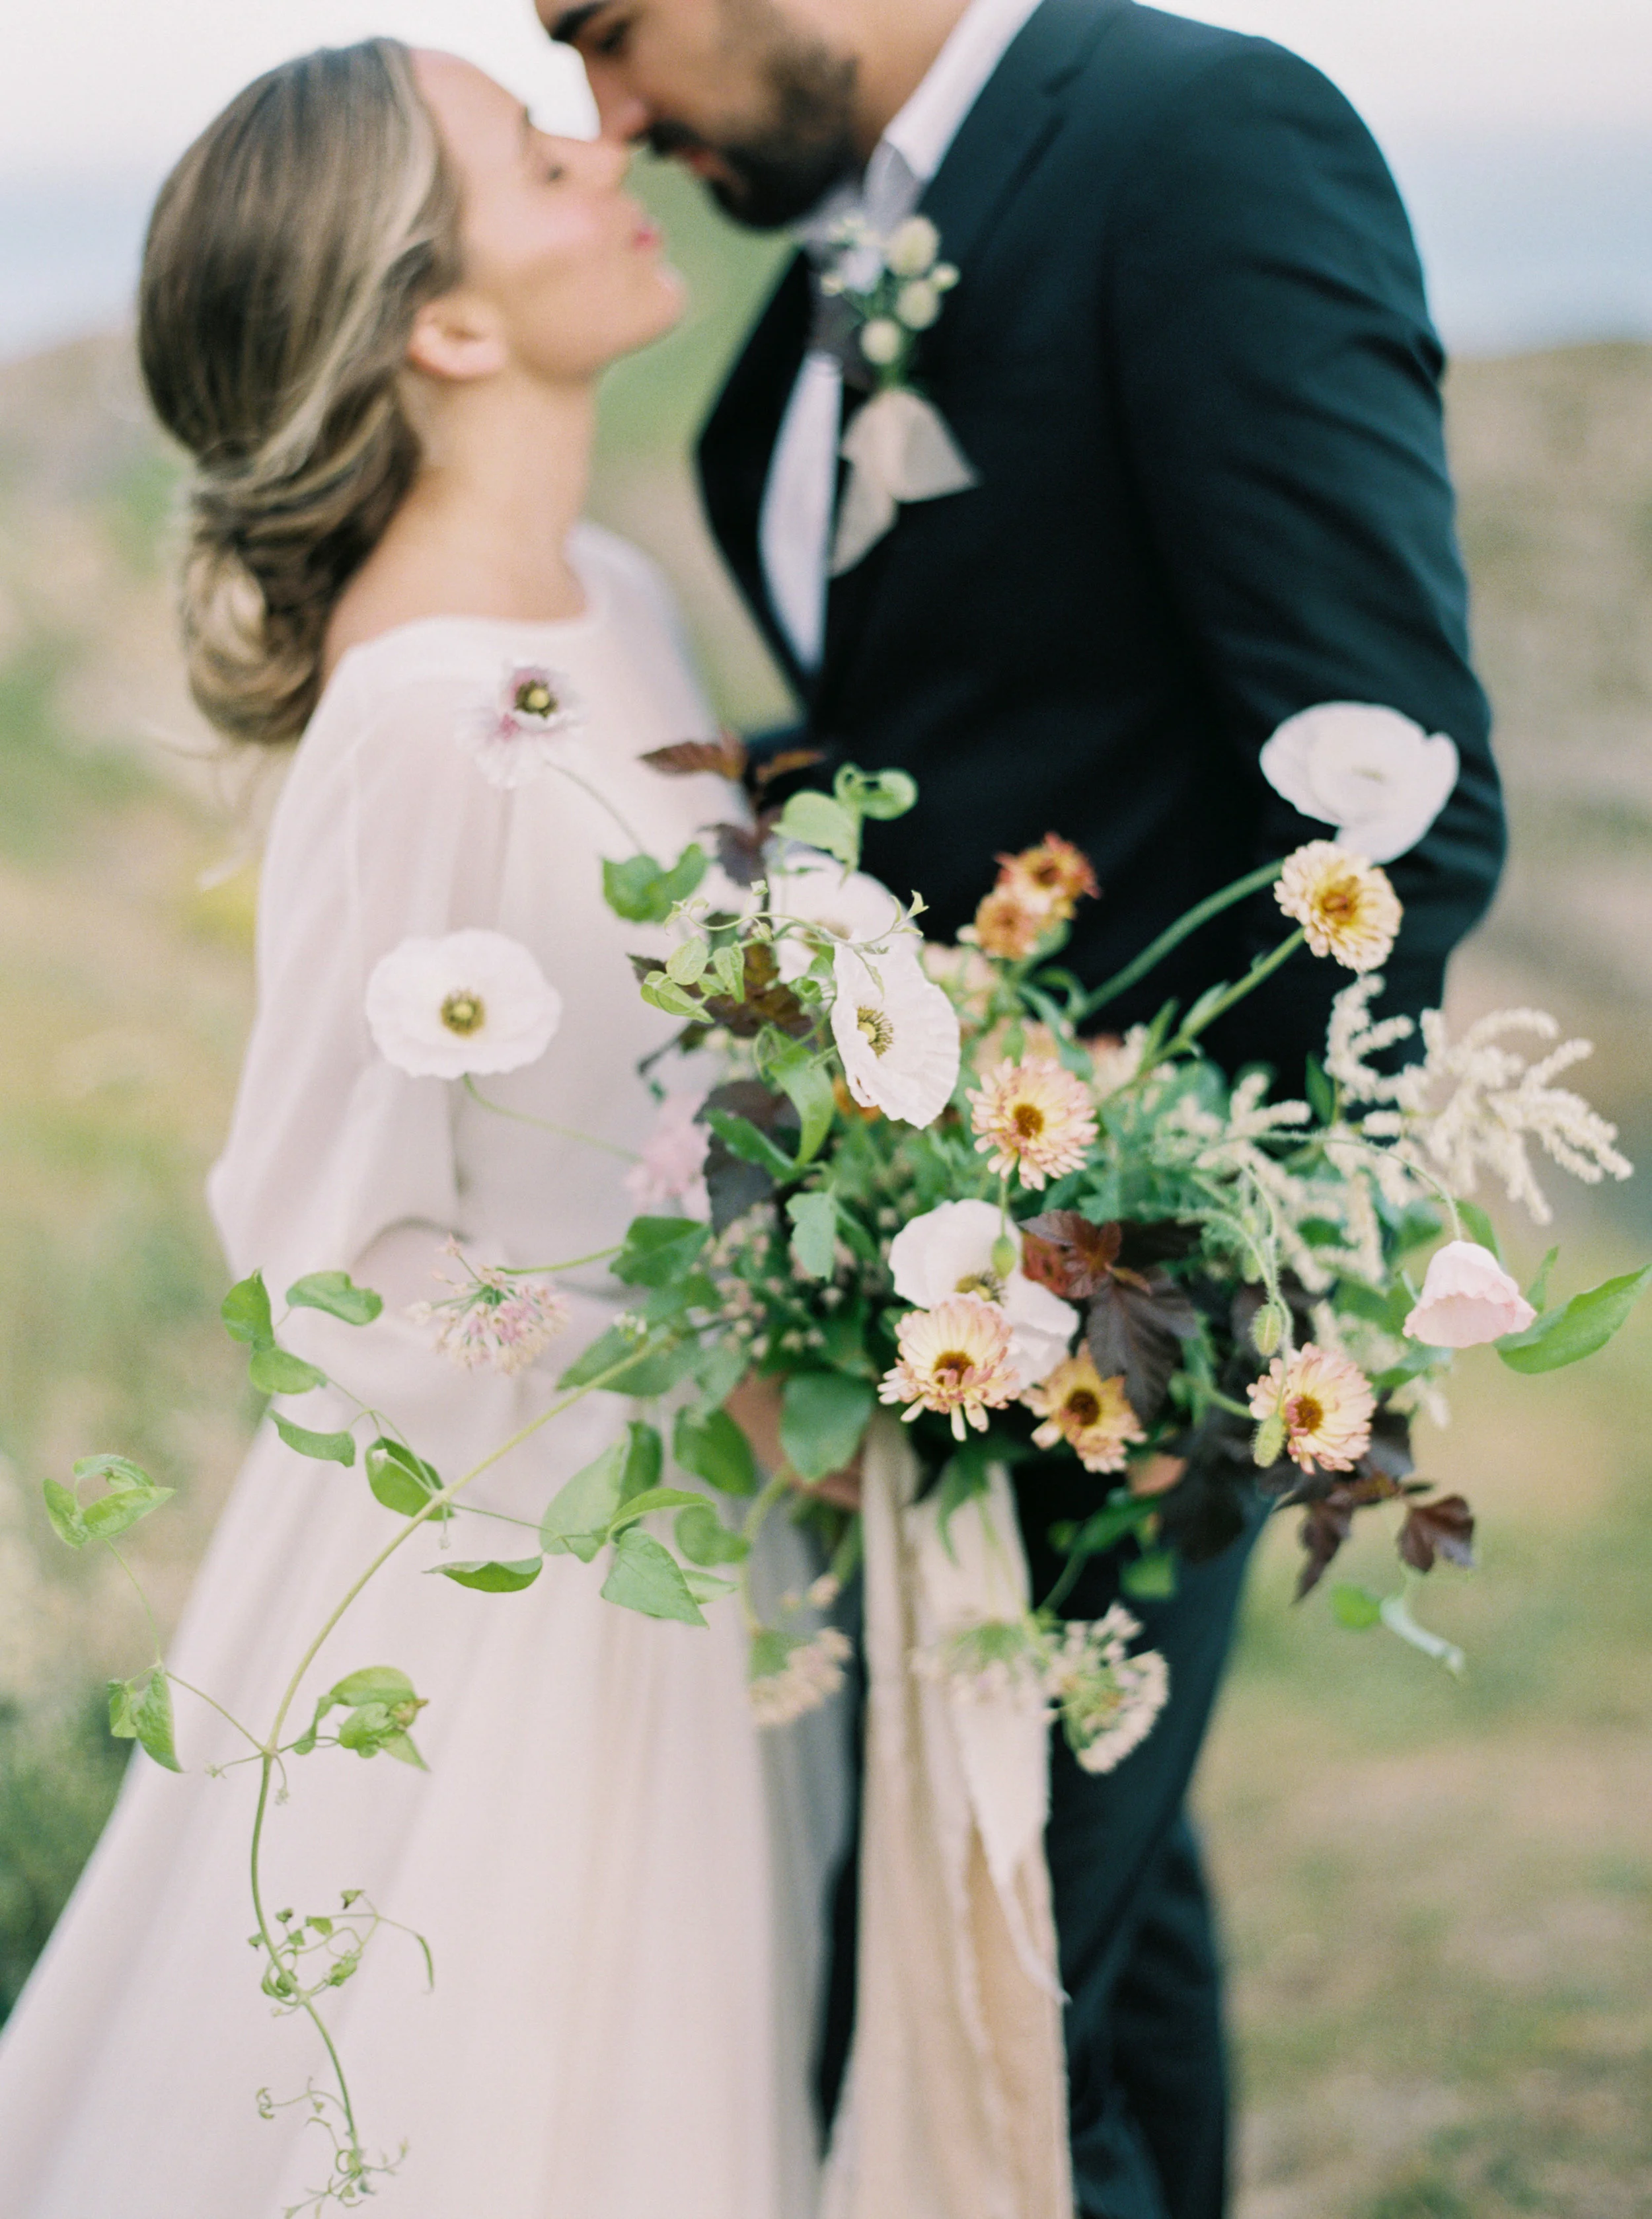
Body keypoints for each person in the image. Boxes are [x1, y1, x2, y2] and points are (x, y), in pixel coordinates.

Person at [543, 2, 1508, 2214]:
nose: (607, 113)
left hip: (1130, 1285)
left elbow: (1398, 810)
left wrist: (1145, 1248)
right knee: (1086, 1939)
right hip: (928, 1257)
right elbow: (962, 727)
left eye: (607, 32)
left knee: (976, 1985)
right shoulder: (829, 272)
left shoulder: (1199, 144)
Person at [0, 42, 846, 2218]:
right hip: (507, 1590)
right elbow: (323, 1268)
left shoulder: (618, 603)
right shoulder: (410, 716)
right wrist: (691, 1359)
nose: (610, 150)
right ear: (446, 325)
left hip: (693, 1529)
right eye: (535, 155)